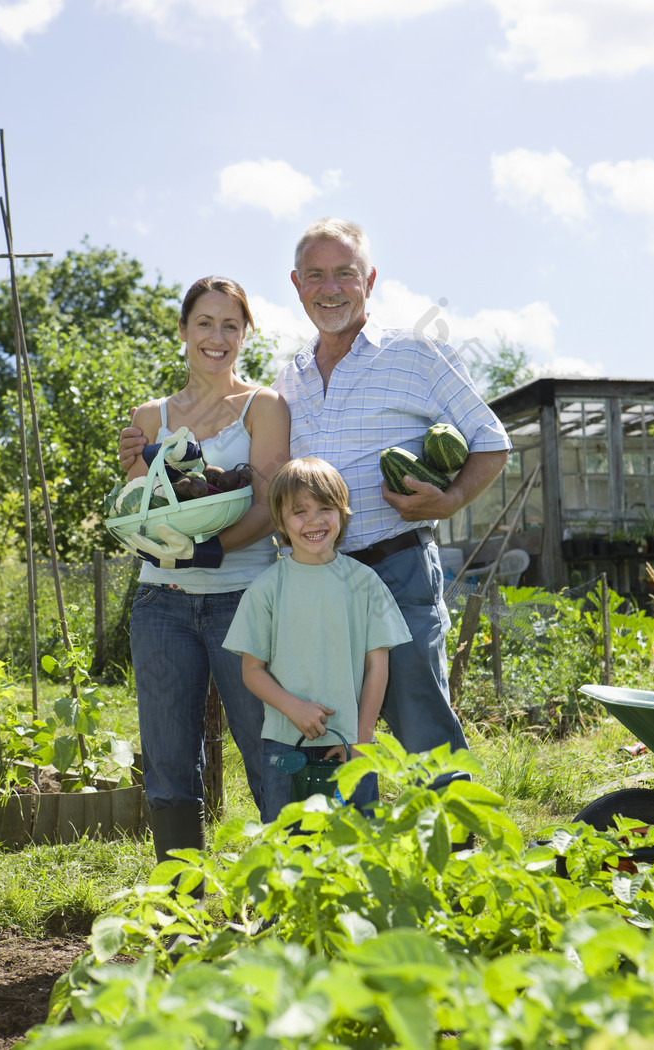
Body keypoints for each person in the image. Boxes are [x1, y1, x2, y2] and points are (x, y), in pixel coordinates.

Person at [119, 220, 509, 777]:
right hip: (313, 582)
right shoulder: (290, 381)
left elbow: (491, 442)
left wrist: (449, 503)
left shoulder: (417, 354)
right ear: (297, 284)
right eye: (317, 276)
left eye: (345, 274)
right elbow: (241, 475)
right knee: (329, 732)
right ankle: (345, 853)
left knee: (421, 722)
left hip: (394, 566)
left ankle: (462, 855)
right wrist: (147, 454)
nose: (331, 288)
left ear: (369, 279)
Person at [115, 275, 290, 866]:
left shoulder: (263, 407)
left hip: (243, 598)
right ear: (184, 330)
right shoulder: (150, 417)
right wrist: (134, 476)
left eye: (230, 325)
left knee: (266, 748)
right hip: (160, 604)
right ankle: (178, 910)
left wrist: (208, 552)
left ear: (245, 334)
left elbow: (268, 506)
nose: (217, 337)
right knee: (167, 760)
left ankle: (285, 897)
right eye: (205, 323)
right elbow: (145, 514)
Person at [222, 456, 412, 822]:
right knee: (287, 853)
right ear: (280, 521)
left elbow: (377, 665)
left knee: (355, 853)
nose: (313, 520)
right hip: (285, 745)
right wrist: (294, 707)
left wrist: (363, 737)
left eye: (325, 508)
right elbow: (252, 671)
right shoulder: (266, 589)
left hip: (351, 747)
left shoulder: (365, 583)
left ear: (342, 513)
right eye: (299, 511)